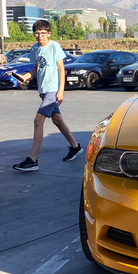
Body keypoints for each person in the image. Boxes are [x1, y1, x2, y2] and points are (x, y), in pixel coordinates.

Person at [12, 20, 82, 172]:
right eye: (37, 33)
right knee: (57, 120)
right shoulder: (35, 49)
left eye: (43, 33)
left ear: (49, 33)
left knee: (38, 120)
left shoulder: (54, 46)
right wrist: (25, 77)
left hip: (52, 89)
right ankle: (75, 147)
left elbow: (61, 69)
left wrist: (60, 90)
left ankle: (32, 160)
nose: (40, 36)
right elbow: (36, 69)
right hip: (43, 90)